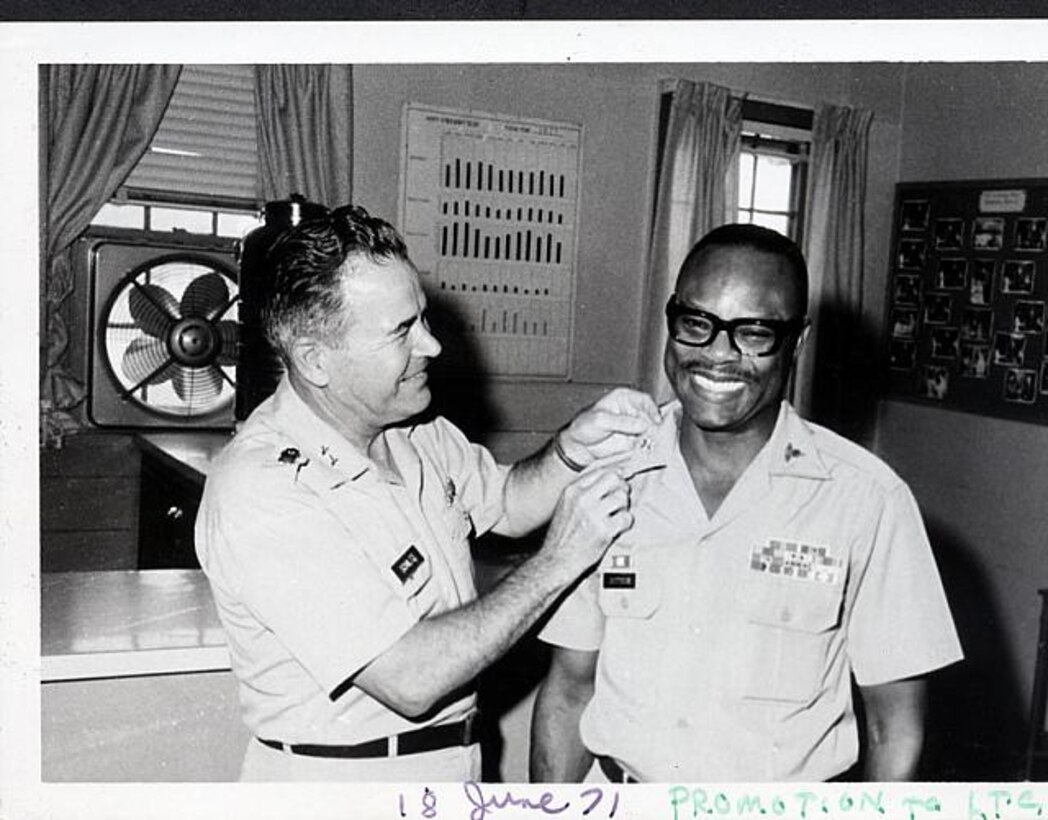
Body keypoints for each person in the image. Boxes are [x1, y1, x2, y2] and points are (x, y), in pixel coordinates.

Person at [195, 204, 659, 782]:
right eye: (402, 332)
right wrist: (560, 560)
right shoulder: (262, 489)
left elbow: (508, 503)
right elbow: (410, 679)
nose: (433, 345)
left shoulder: (412, 430)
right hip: (343, 785)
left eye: (423, 319)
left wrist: (572, 450)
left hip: (452, 768)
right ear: (316, 359)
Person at [531, 223, 963, 784]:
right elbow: (569, 691)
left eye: (754, 333)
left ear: (797, 343)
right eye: (696, 323)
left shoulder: (868, 501)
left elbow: (895, 725)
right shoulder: (609, 481)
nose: (717, 355)